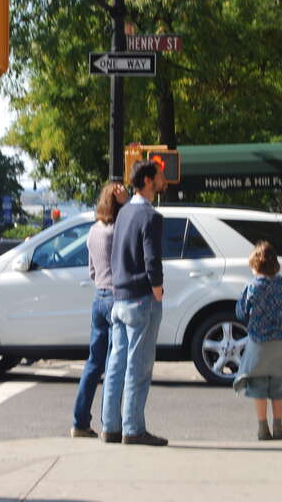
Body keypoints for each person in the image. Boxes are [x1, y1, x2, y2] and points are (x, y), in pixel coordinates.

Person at [101, 160, 168, 446]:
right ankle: (133, 429)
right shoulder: (150, 216)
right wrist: (157, 289)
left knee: (116, 365)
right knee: (139, 367)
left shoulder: (124, 213)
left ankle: (111, 427)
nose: (164, 179)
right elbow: (151, 257)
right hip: (142, 298)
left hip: (120, 298)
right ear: (149, 180)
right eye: (160, 175)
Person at [70, 182, 128, 438]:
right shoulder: (119, 229)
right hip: (118, 297)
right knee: (115, 364)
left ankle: (79, 421)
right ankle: (110, 421)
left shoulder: (94, 230)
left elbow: (92, 271)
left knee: (94, 363)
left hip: (99, 296)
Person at [233, 241, 282, 440]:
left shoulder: (252, 287)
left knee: (258, 384)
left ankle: (263, 428)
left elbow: (241, 313)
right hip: (281, 343)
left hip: (258, 342)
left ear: (255, 265)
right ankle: (278, 426)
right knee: (278, 384)